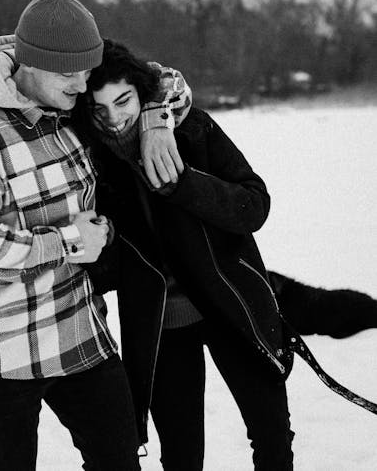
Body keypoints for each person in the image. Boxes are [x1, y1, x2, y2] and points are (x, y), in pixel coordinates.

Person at [0, 0, 191, 471]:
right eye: (68, 73)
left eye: (85, 71)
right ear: (31, 64)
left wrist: (157, 121)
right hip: (4, 349)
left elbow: (158, 80)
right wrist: (68, 242)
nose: (82, 83)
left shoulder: (69, 109)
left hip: (81, 335)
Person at [77, 39, 295, 471]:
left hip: (233, 306)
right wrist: (99, 243)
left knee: (271, 437)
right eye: (100, 110)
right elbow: (109, 272)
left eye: (123, 101)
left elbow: (255, 205)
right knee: (180, 455)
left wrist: (182, 184)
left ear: (141, 93)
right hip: (161, 329)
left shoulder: (191, 129)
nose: (115, 118)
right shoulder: (91, 163)